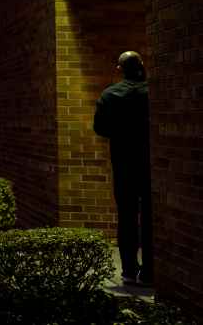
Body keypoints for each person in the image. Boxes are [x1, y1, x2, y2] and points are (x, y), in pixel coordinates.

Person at [94, 51, 153, 286]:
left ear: (119, 69)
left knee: (127, 216)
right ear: (142, 65)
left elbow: (100, 128)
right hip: (149, 163)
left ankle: (129, 270)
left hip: (123, 163)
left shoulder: (110, 95)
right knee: (150, 217)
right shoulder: (151, 93)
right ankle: (150, 271)